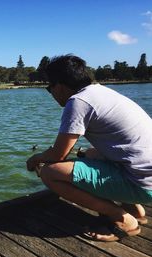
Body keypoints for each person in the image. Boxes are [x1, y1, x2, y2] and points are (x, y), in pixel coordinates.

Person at [26, 54, 152, 242]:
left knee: (50, 173)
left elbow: (58, 155)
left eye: (48, 87)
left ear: (59, 85)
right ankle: (134, 209)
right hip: (146, 177)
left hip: (142, 185)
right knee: (88, 154)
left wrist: (36, 159)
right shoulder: (101, 92)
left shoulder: (78, 102)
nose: (50, 92)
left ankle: (123, 218)